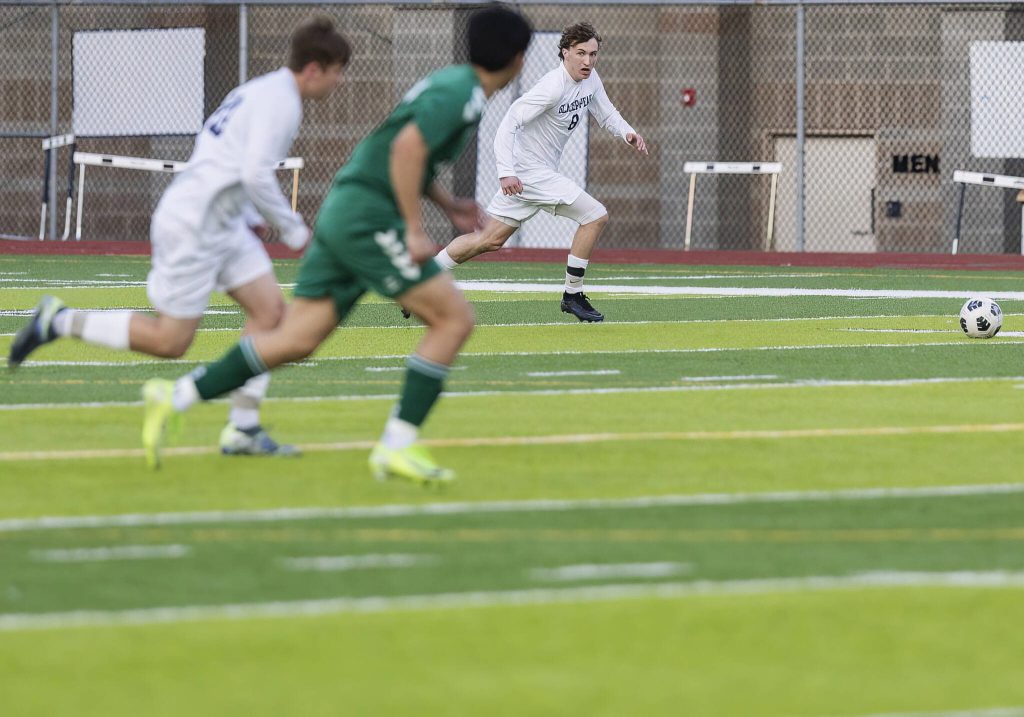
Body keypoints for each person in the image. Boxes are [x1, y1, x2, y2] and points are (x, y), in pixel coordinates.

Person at [139, 4, 533, 482]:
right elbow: (406, 149)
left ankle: (177, 396)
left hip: (349, 209)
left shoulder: (455, 85)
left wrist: (449, 205)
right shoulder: (464, 95)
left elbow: (406, 149)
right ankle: (397, 446)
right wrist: (413, 228)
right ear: (517, 58)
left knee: (296, 339)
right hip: (368, 217)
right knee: (453, 318)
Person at [8, 17, 351, 457]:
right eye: (338, 70)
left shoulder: (262, 89)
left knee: (270, 315)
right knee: (171, 342)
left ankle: (242, 429)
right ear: (314, 69)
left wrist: (246, 214)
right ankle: (57, 320)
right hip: (193, 225)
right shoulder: (281, 102)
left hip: (221, 224)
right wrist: (294, 229)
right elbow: (252, 173)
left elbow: (226, 160)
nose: (340, 82)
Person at [431, 22, 648, 323]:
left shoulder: (590, 79)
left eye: (593, 54)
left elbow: (606, 111)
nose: (588, 61)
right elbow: (508, 123)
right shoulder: (552, 87)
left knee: (490, 239)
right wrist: (505, 172)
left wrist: (627, 133)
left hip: (533, 174)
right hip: (530, 173)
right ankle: (572, 295)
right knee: (595, 215)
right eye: (581, 53)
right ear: (565, 52)